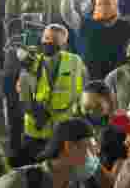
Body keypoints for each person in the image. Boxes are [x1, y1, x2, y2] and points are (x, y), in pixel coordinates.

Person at [16, 24, 87, 166]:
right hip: (36, 132)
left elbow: (83, 90)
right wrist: (35, 113)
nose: (49, 43)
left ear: (64, 45)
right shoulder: (31, 62)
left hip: (63, 132)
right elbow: (23, 96)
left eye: (54, 40)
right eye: (46, 38)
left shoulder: (75, 62)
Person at [63, 0, 130, 81]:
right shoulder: (85, 24)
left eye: (107, 3)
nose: (103, 7)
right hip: (90, 81)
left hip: (117, 81)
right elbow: (68, 14)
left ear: (115, 5)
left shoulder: (127, 27)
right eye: (99, 4)